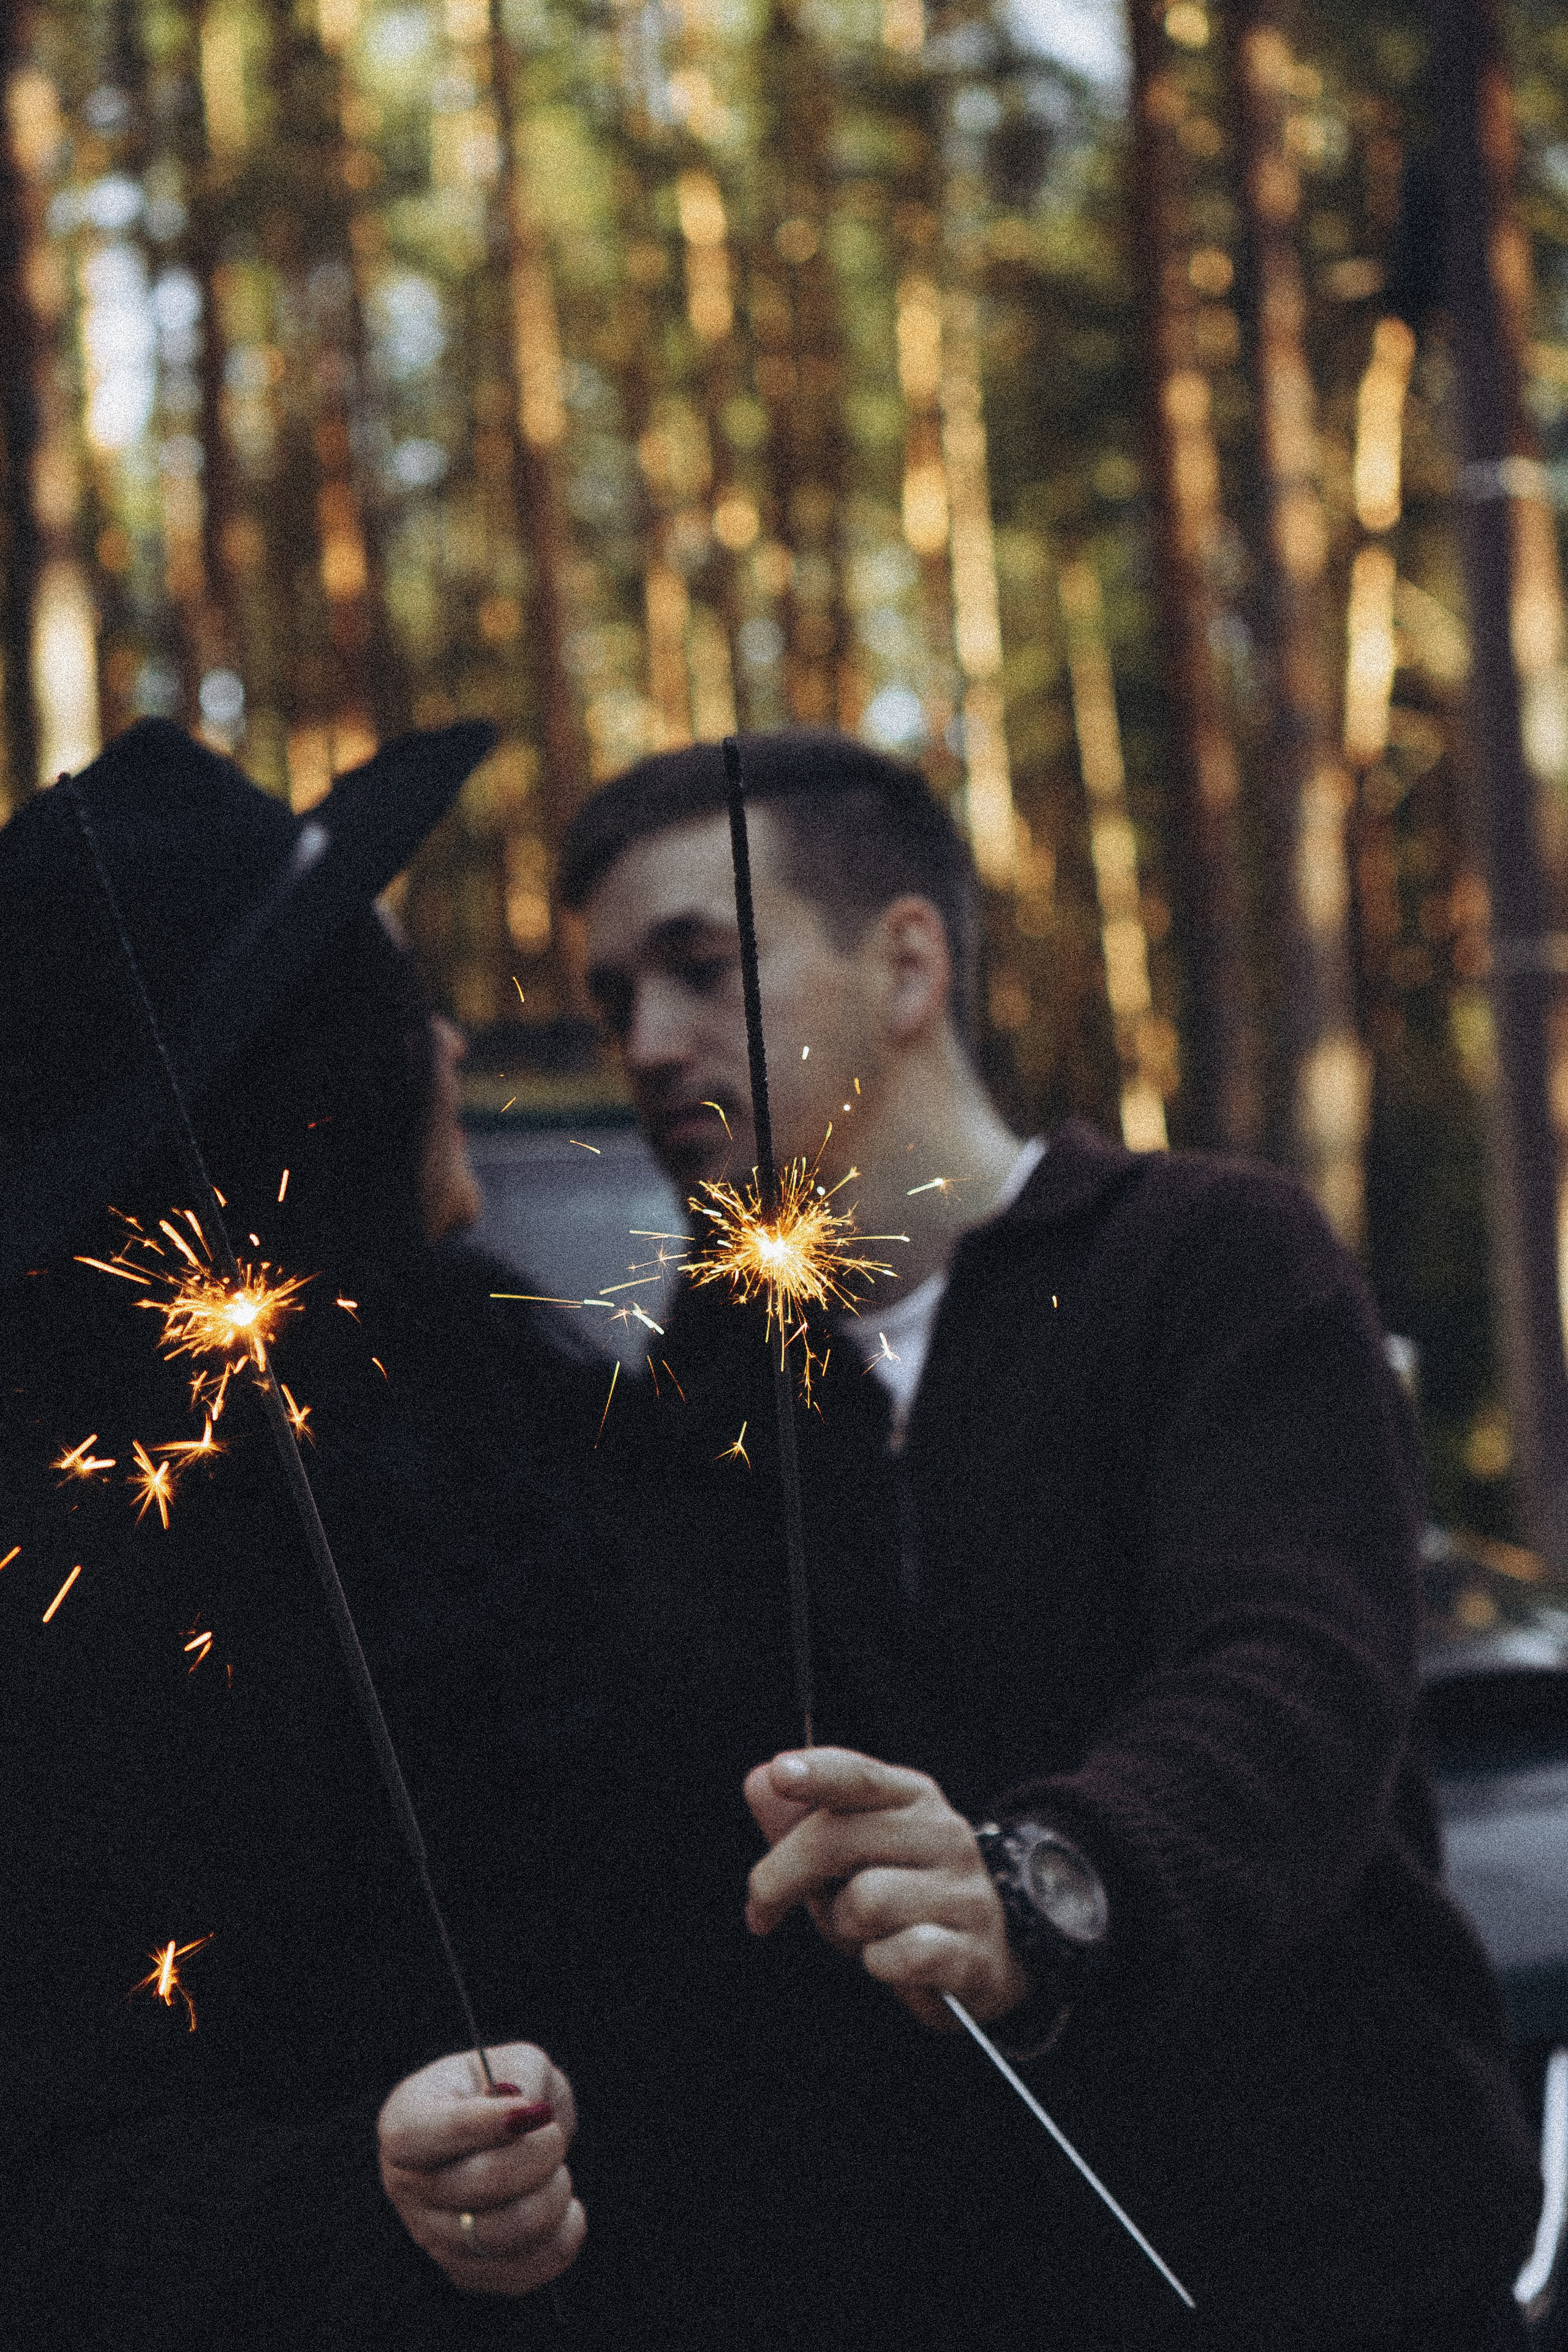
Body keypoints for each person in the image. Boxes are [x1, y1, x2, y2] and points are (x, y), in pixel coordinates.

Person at [382, 729, 1540, 2350]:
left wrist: (1045, 1887)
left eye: (700, 966)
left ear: (907, 960)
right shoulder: (697, 1393)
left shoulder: (1206, 1259)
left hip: (1330, 2270)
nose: (647, 1043)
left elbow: (1296, 1676)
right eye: (613, 1000)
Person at [0, 718, 601, 2347]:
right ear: (325, 1073)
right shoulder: (86, 1592)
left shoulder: (519, 1404)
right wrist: (363, 2199)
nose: (459, 1045)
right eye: (406, 1003)